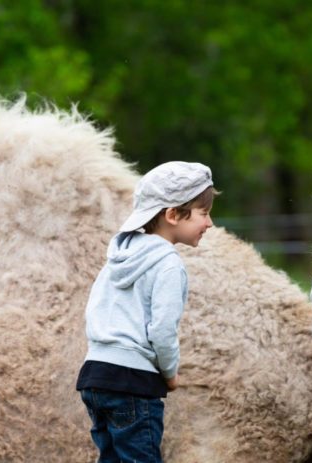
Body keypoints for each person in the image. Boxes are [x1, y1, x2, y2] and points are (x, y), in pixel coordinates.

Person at [76, 161, 217, 462]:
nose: (209, 223)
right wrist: (170, 372)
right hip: (132, 382)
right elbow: (162, 330)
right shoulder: (167, 263)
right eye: (204, 213)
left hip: (94, 376)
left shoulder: (120, 256)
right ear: (173, 214)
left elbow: (95, 310)